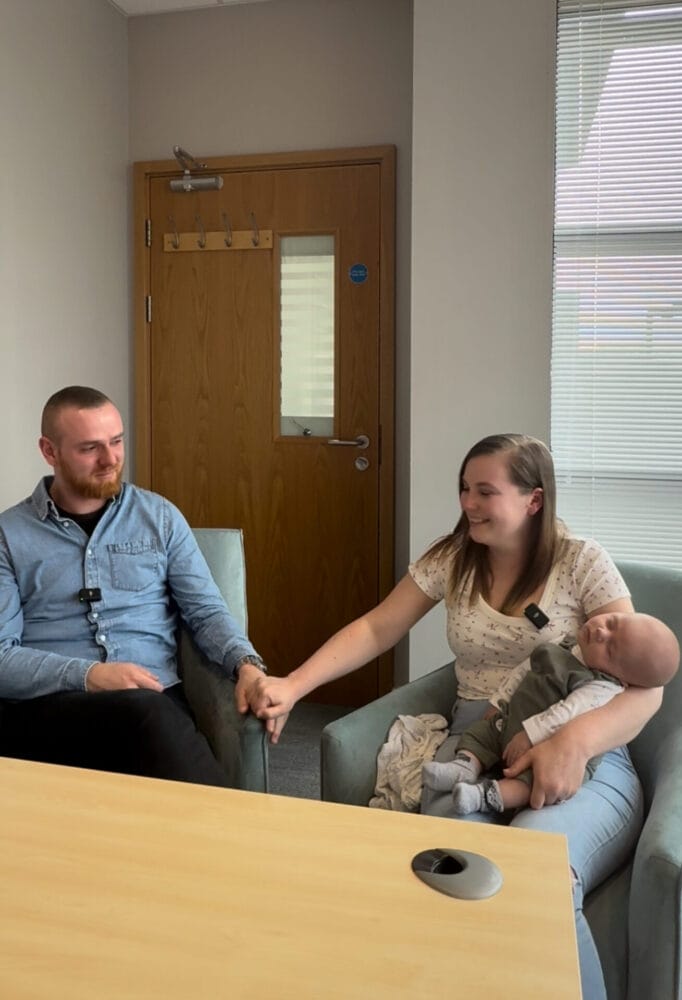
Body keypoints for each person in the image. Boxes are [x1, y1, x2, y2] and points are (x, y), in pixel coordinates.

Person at [247, 433, 665, 1000]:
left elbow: (646, 686)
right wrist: (293, 685)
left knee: (536, 874)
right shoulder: (452, 557)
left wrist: (573, 744)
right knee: (449, 874)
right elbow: (377, 627)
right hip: (477, 742)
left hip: (586, 749)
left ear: (534, 500)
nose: (468, 503)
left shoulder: (582, 561)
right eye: (464, 488)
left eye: (485, 491)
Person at [0, 386, 266, 786]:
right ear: (49, 451)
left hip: (155, 703)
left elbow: (206, 611)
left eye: (117, 441)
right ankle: (231, 824)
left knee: (151, 717)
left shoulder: (160, 517)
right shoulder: (8, 535)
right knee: (148, 717)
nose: (110, 459)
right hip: (52, 709)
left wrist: (247, 664)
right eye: (90, 448)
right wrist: (89, 675)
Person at [423, 613, 679, 815]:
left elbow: (565, 713)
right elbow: (522, 672)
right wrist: (498, 702)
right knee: (479, 734)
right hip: (510, 719)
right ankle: (464, 767)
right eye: (611, 622)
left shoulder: (601, 686)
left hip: (548, 744)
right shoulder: (565, 643)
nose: (601, 632)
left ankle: (487, 796)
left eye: (610, 650)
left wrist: (530, 736)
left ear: (620, 677)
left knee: (532, 781)